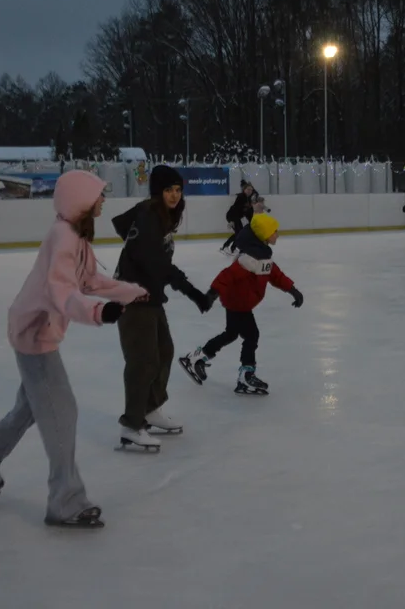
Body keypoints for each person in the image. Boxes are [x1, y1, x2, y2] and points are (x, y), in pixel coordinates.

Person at [0, 171, 148, 529]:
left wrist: (132, 292)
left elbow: (89, 281)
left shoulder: (76, 236)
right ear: (81, 201)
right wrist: (99, 311)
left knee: (31, 408)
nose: (104, 201)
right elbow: (62, 293)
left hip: (36, 329)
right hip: (35, 334)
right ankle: (66, 501)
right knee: (61, 411)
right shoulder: (65, 236)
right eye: (99, 195)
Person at [112, 165, 213, 451]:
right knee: (143, 361)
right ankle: (131, 424)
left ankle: (150, 408)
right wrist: (193, 292)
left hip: (150, 295)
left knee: (164, 352)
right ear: (158, 192)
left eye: (178, 189)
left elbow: (156, 264)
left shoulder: (160, 216)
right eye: (168, 190)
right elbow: (158, 264)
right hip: (133, 297)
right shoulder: (148, 217)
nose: (174, 195)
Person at [179, 214, 303, 396]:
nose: (277, 234)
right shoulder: (248, 259)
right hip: (237, 302)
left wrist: (293, 290)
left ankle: (196, 358)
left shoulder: (263, 255)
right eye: (274, 231)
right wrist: (212, 294)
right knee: (251, 335)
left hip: (242, 302)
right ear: (264, 235)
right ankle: (246, 375)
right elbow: (226, 276)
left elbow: (275, 275)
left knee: (232, 334)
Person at [221, 181, 255, 255]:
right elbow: (235, 209)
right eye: (248, 189)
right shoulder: (241, 197)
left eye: (251, 190)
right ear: (244, 189)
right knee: (239, 233)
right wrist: (232, 221)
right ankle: (225, 247)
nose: (250, 191)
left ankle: (233, 248)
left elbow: (249, 212)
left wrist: (252, 222)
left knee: (240, 233)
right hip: (232, 215)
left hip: (237, 217)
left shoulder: (248, 199)